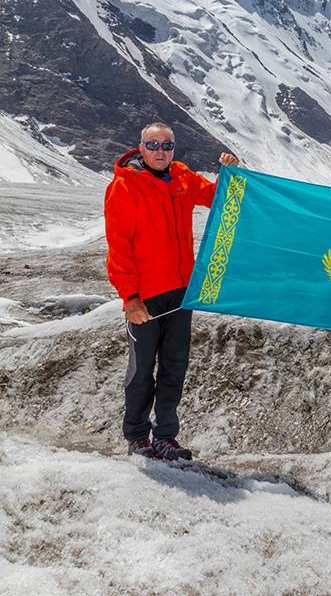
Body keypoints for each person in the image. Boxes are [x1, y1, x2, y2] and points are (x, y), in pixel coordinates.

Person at [104, 122, 239, 460]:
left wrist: (229, 173)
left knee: (174, 367)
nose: (160, 151)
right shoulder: (124, 187)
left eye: (167, 145)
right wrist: (130, 297)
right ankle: (137, 436)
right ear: (141, 147)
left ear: (174, 149)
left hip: (180, 292)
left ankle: (166, 436)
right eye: (153, 144)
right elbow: (118, 246)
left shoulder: (182, 177)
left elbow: (214, 197)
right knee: (141, 370)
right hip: (146, 298)